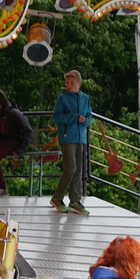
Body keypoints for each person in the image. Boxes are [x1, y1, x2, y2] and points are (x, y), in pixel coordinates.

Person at [50, 70, 92, 215]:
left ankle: (75, 201)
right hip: (67, 137)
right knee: (71, 168)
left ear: (79, 83)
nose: (68, 85)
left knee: (78, 170)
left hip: (81, 138)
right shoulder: (62, 98)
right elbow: (57, 117)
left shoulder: (85, 98)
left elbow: (89, 116)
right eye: (67, 82)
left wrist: (86, 121)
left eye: (72, 82)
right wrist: (74, 118)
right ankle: (57, 197)